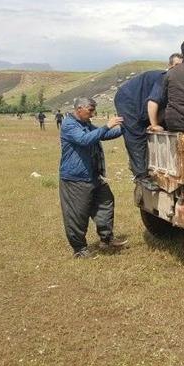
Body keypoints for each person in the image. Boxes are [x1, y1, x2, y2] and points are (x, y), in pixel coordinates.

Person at [58, 97, 127, 258]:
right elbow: (85, 140)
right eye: (90, 110)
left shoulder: (86, 124)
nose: (92, 113)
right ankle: (80, 250)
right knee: (77, 215)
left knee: (106, 202)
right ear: (79, 108)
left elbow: (103, 135)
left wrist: (125, 128)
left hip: (94, 175)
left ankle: (106, 239)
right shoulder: (69, 124)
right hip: (76, 179)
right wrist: (107, 125)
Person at [114, 53, 180, 185]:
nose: (178, 69)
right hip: (128, 99)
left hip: (142, 105)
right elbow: (152, 102)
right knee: (136, 135)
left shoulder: (175, 81)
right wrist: (154, 124)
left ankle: (153, 167)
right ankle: (141, 176)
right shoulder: (165, 78)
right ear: (169, 66)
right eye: (176, 65)